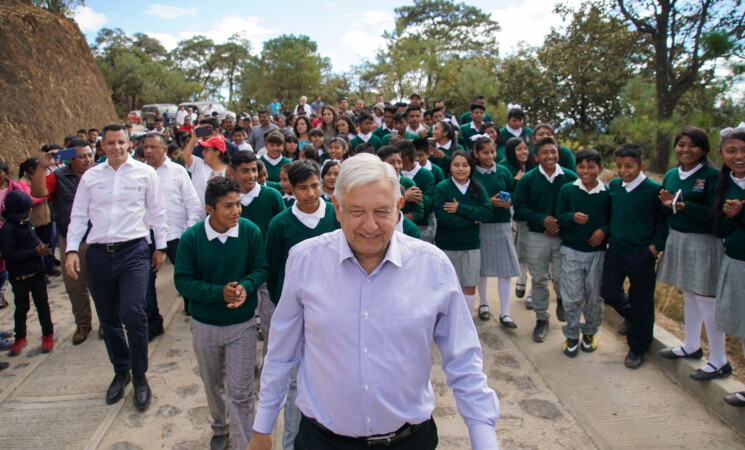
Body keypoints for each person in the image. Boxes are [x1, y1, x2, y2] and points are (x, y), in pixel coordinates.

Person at [248, 153, 499, 450]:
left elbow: (464, 361)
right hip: (322, 441)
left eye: (382, 211)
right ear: (337, 208)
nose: (370, 226)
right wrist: (263, 428)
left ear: (398, 207)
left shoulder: (433, 267)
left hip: (409, 441)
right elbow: (280, 352)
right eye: (356, 212)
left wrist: (484, 438)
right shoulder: (304, 261)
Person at [65, 122, 168, 411]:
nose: (117, 148)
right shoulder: (91, 177)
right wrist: (72, 249)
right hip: (97, 254)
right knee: (108, 319)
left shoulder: (145, 173)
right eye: (110, 143)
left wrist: (160, 246)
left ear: (129, 143)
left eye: (121, 142)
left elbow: (157, 212)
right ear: (102, 146)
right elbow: (78, 216)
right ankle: (121, 370)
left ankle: (140, 375)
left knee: (134, 315)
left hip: (134, 251)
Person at [174, 176, 268, 450]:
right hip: (204, 326)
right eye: (228, 206)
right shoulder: (191, 238)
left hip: (242, 326)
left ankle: (243, 444)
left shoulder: (250, 232)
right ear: (210, 210)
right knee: (213, 384)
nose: (237, 211)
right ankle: (219, 426)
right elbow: (182, 282)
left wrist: (245, 287)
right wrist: (219, 293)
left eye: (238, 204)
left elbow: (260, 268)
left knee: (241, 393)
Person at [263, 160, 340, 449]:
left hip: (334, 310)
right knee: (294, 381)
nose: (311, 193)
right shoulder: (281, 224)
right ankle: (291, 443)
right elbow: (272, 270)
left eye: (315, 186)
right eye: (303, 188)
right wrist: (284, 301)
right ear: (291, 189)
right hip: (297, 313)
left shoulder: (336, 214)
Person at [656, 127, 727, 379]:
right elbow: (665, 211)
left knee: (707, 299)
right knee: (688, 293)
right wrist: (668, 206)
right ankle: (691, 345)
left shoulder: (712, 176)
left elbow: (716, 213)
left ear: (704, 149)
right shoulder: (672, 175)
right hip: (678, 238)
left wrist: (687, 207)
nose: (685, 150)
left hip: (704, 241)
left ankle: (719, 359)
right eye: (681, 144)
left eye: (692, 145)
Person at [601, 143, 668, 369]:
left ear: (642, 166)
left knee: (642, 300)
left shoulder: (652, 190)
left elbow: (663, 223)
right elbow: (610, 214)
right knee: (609, 293)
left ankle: (637, 348)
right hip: (616, 250)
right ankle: (632, 317)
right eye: (619, 166)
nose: (623, 171)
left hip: (641, 254)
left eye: (628, 166)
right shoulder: (615, 186)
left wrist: (654, 248)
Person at [30, 139, 96, 344]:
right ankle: (83, 323)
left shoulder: (100, 174)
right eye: (81, 156)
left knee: (104, 284)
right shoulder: (57, 177)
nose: (87, 160)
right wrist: (43, 166)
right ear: (69, 159)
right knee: (75, 285)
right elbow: (37, 193)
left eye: (89, 155)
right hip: (70, 240)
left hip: (99, 238)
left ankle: (108, 322)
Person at [513, 137, 578, 342]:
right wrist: (543, 220)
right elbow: (520, 207)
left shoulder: (569, 177)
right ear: (536, 156)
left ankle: (560, 298)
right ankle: (542, 319)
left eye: (553, 151)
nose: (550, 156)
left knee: (561, 277)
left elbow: (575, 206)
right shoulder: (529, 179)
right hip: (536, 235)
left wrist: (557, 224)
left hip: (561, 235)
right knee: (539, 279)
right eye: (545, 153)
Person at [554, 148, 610, 356]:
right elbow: (559, 216)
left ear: (600, 169)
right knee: (571, 296)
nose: (585, 171)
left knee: (595, 296)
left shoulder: (607, 193)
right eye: (581, 166)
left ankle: (590, 331)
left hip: (597, 254)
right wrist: (571, 218)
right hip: (571, 251)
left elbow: (613, 220)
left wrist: (603, 231)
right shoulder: (568, 190)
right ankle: (571, 333)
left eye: (591, 167)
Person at [143, 133, 202, 322]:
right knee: (146, 282)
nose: (149, 151)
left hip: (176, 234)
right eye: (146, 147)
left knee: (186, 275)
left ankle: (191, 306)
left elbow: (192, 202)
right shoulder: (139, 173)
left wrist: (190, 227)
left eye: (154, 147)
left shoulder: (178, 171)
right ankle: (153, 322)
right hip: (148, 236)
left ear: (165, 149)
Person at [709, 127, 745, 406]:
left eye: (743, 150)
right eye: (731, 151)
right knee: (741, 325)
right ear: (721, 154)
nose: (738, 156)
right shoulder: (725, 185)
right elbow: (720, 227)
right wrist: (733, 218)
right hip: (736, 260)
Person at [433, 149, 492, 313]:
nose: (460, 169)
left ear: (471, 167)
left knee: (469, 285)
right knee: (446, 286)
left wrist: (461, 208)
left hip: (470, 245)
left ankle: (466, 324)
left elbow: (487, 212)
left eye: (465, 165)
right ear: (450, 167)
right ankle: (446, 322)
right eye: (456, 165)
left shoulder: (477, 187)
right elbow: (444, 218)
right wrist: (473, 220)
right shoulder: (442, 188)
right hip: (447, 244)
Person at [471, 137, 521, 326]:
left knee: (504, 270)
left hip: (501, 224)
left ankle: (505, 313)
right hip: (481, 224)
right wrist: (488, 203)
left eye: (493, 152)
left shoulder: (504, 171)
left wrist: (509, 201)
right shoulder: (472, 175)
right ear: (476, 153)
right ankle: (483, 304)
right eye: (485, 152)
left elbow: (513, 192)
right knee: (480, 268)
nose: (491, 156)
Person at [0, 190, 54, 356]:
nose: (30, 211)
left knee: (42, 304)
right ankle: (20, 337)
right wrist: (34, 252)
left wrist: (43, 248)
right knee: (22, 307)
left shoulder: (27, 223)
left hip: (37, 273)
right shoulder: (8, 230)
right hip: (20, 276)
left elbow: (35, 240)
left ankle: (47, 334)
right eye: (28, 208)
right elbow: (9, 255)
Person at [500, 137, 537, 308]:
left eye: (525, 148)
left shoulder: (532, 166)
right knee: (522, 251)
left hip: (533, 214)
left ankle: (533, 292)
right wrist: (516, 181)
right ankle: (522, 278)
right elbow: (503, 194)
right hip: (514, 216)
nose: (523, 152)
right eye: (519, 149)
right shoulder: (505, 168)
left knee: (537, 254)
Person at [183, 128, 230, 213]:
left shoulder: (230, 171)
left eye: (207, 149)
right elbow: (186, 156)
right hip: (197, 215)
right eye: (203, 149)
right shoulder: (198, 164)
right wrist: (193, 140)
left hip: (221, 217)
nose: (203, 152)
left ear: (217, 151)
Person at [398, 140, 436, 243]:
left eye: (398, 159)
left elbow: (430, 199)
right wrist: (405, 196)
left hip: (422, 225)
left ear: (405, 159)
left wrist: (416, 197)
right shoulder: (397, 174)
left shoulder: (426, 174)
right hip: (400, 224)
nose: (396, 164)